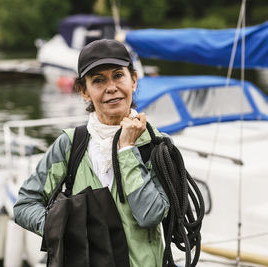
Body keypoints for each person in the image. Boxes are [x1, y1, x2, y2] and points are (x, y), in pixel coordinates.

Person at [13, 39, 170, 267]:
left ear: (133, 80)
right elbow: (24, 205)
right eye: (98, 80)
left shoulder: (159, 146)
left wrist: (127, 150)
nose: (111, 87)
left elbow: (149, 216)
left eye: (118, 75)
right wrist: (62, 226)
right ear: (84, 91)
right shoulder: (70, 145)